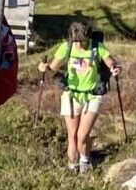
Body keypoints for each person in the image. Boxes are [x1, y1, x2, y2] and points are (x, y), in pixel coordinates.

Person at [42, 17, 117, 171]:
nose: (78, 44)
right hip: (71, 96)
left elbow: (111, 63)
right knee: (73, 137)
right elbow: (52, 70)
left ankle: (85, 161)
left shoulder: (97, 47)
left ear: (88, 37)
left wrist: (114, 69)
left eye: (82, 41)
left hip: (92, 95)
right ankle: (72, 167)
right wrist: (44, 68)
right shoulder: (66, 47)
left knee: (82, 136)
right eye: (75, 41)